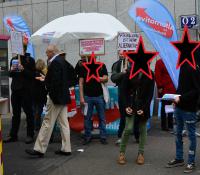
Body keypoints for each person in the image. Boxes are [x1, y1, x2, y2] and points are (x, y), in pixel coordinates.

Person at [25, 45, 76, 157]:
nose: (46, 54)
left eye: (47, 52)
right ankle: (66, 148)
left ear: (52, 52)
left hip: (56, 98)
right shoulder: (62, 61)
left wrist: (49, 89)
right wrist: (65, 86)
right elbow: (72, 74)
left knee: (47, 122)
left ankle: (39, 149)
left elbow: (55, 82)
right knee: (64, 124)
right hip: (63, 96)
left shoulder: (55, 62)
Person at [166, 61, 200, 173]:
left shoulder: (193, 68)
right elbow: (181, 87)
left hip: (189, 109)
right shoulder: (183, 66)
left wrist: (181, 98)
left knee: (191, 136)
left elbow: (196, 90)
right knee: (177, 133)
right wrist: (175, 97)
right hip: (179, 108)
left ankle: (191, 162)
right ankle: (179, 158)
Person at [117, 69, 154, 165]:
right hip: (130, 104)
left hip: (143, 105)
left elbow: (150, 94)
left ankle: (141, 154)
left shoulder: (150, 74)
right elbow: (123, 91)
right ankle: (121, 153)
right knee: (128, 128)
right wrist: (126, 106)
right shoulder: (129, 73)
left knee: (142, 129)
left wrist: (145, 108)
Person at [4, 42, 35, 144]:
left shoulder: (30, 60)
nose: (17, 50)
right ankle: (13, 135)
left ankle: (30, 135)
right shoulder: (14, 60)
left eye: (19, 48)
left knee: (28, 113)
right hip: (16, 90)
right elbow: (11, 75)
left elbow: (32, 75)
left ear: (24, 49)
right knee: (15, 114)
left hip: (26, 90)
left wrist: (23, 69)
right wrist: (11, 70)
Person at [111, 50, 140, 145]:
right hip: (123, 93)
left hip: (135, 93)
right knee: (123, 115)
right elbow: (113, 77)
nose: (122, 55)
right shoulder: (117, 64)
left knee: (136, 116)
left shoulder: (136, 64)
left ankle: (137, 136)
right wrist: (123, 73)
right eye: (121, 53)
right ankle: (120, 136)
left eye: (125, 53)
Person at [79, 55, 108, 145]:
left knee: (102, 117)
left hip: (99, 96)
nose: (92, 59)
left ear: (96, 57)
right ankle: (88, 137)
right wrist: (81, 97)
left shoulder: (102, 65)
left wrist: (99, 78)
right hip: (88, 96)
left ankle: (103, 137)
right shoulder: (83, 67)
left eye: (94, 57)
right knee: (87, 118)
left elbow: (106, 78)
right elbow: (81, 83)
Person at [155, 59, 176, 131]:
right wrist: (159, 86)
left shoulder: (172, 61)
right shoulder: (160, 62)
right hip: (164, 88)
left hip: (172, 87)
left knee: (170, 106)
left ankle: (170, 124)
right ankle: (164, 125)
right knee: (164, 107)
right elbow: (157, 75)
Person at [33, 59, 47, 131]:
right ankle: (37, 126)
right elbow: (44, 83)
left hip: (34, 94)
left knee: (35, 110)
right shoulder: (41, 74)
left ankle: (34, 125)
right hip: (41, 95)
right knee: (39, 111)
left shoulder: (33, 73)